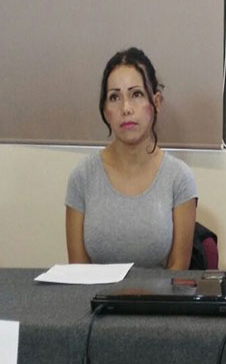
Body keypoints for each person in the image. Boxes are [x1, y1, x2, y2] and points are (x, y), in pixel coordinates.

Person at [65, 47, 197, 269]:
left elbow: (178, 273)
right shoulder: (82, 177)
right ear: (105, 110)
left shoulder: (179, 178)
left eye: (136, 94)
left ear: (156, 102)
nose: (126, 108)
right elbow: (78, 271)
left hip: (161, 293)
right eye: (114, 97)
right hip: (96, 293)